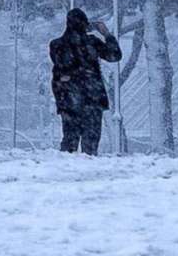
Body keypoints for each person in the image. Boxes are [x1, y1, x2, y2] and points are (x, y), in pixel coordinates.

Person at [47, 8, 123, 156]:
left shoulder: (56, 45)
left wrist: (62, 97)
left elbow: (61, 71)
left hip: (68, 101)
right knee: (90, 145)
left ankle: (66, 171)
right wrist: (106, 34)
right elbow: (115, 55)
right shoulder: (92, 43)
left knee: (69, 142)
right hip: (92, 100)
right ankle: (88, 170)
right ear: (85, 24)